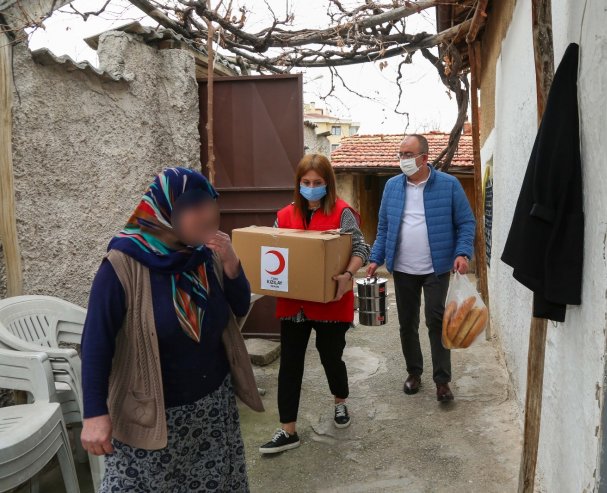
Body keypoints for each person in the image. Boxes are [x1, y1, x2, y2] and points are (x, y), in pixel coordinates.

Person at [80, 167, 263, 492]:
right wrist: (95, 413)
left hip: (212, 414)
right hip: (151, 418)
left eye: (210, 202)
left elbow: (238, 308)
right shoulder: (122, 266)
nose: (208, 214)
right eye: (194, 206)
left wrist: (232, 264)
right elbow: (96, 342)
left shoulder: (205, 255)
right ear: (163, 211)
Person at [259, 153, 370, 454]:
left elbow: (361, 247)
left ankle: (340, 401)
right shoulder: (283, 216)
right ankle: (287, 430)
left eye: (317, 183)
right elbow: (273, 252)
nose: (311, 187)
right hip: (295, 304)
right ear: (298, 184)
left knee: (330, 356)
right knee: (290, 365)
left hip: (331, 302)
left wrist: (348, 273)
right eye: (306, 182)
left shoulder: (343, 213)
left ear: (327, 184)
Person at [367, 135, 476, 402]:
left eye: (408, 154)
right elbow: (383, 228)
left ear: (424, 158)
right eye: (400, 154)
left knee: (437, 321)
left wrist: (462, 253)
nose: (403, 159)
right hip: (403, 269)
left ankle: (442, 381)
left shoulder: (448, 185)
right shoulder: (392, 186)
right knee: (407, 323)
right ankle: (414, 373)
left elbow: (466, 223)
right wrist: (375, 258)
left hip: (436, 267)